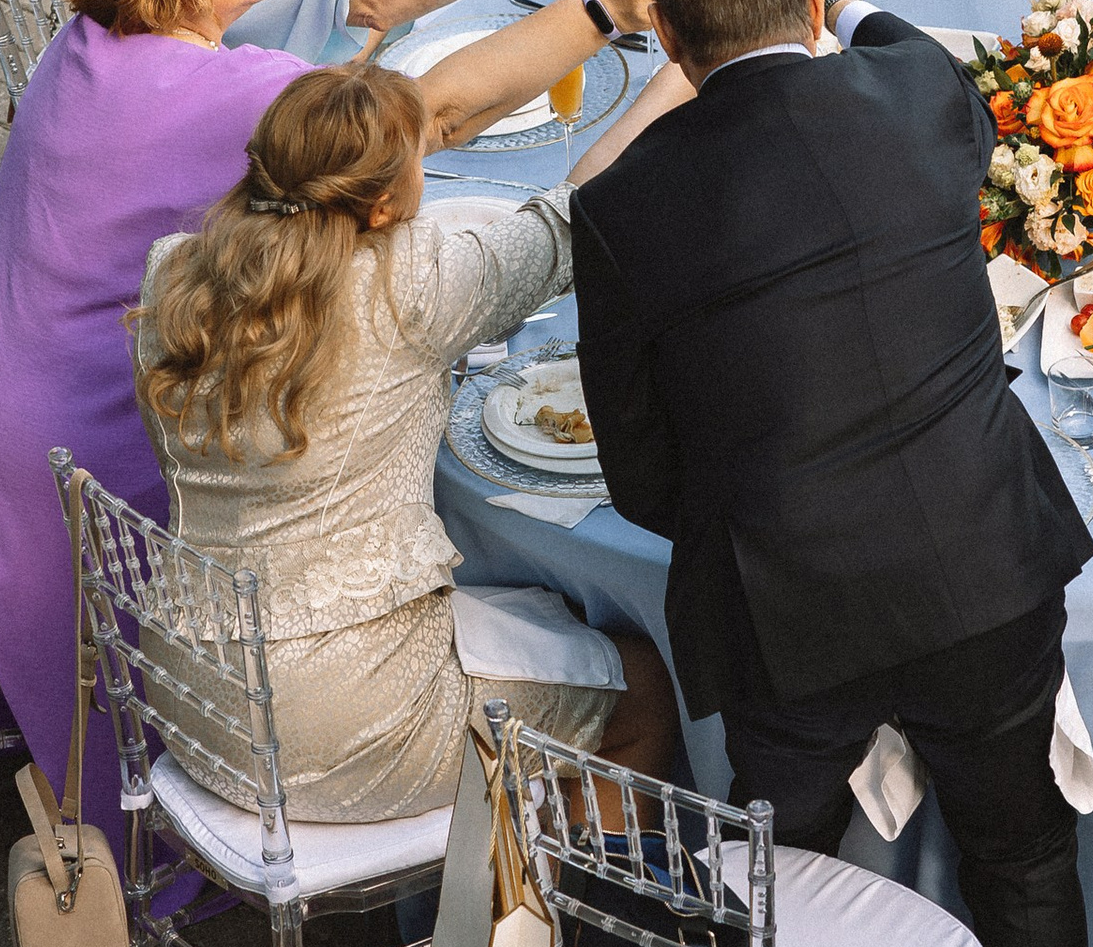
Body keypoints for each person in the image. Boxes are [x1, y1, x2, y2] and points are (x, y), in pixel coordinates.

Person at [569, 0, 1093, 947]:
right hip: (978, 567)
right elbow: (901, 46)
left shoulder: (627, 205)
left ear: (672, 48)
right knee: (1021, 849)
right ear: (815, 8)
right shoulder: (923, 97)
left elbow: (640, 480)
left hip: (784, 606)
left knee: (784, 857)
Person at [0, 0, 656, 842]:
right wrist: (608, 9)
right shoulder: (237, 97)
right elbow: (435, 116)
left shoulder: (80, 49)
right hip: (83, 444)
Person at [134, 61, 683, 819]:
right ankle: (542, 920)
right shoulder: (410, 286)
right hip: (341, 716)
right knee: (649, 691)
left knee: (528, 620)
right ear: (386, 204)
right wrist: (673, 82)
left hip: (191, 693)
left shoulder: (172, 275)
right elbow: (573, 221)